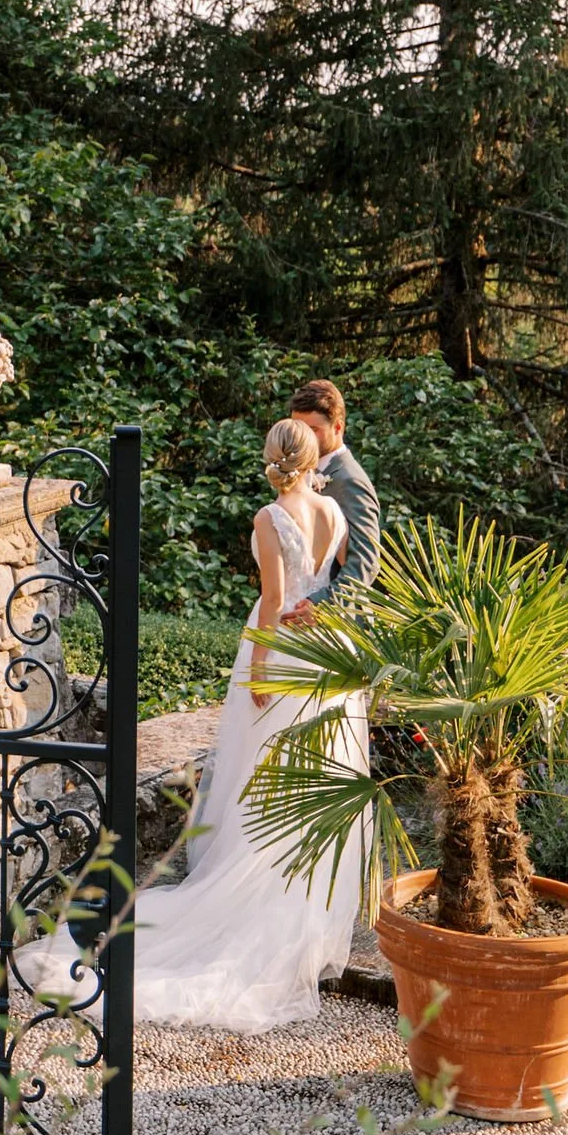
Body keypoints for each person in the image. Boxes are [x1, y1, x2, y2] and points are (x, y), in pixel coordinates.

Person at [126, 416, 370, 1031]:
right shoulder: (335, 513)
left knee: (264, 775)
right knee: (316, 774)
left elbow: (273, 599)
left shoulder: (268, 518)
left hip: (284, 651)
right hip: (329, 656)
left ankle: (256, 901)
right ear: (314, 458)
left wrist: (259, 671)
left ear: (270, 457)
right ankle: (305, 903)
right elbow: (330, 581)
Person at [283, 376, 380, 618]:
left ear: (338, 427)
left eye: (313, 430)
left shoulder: (350, 480)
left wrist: (322, 605)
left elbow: (365, 562)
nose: (302, 438)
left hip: (331, 624)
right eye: (298, 428)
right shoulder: (302, 473)